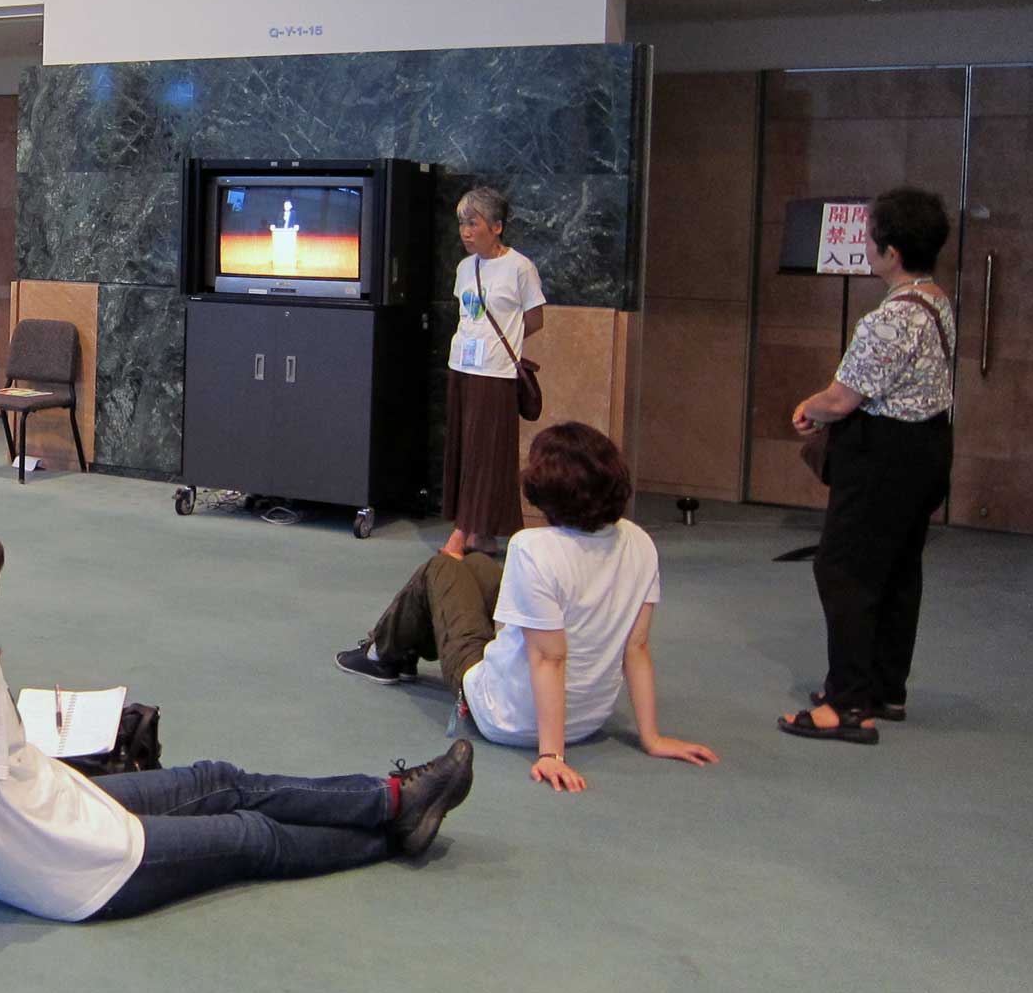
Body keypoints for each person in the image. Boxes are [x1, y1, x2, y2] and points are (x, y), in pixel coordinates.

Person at [0, 518, 475, 993]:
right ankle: (392, 833)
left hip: (63, 803)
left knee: (219, 779)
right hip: (79, 866)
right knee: (249, 836)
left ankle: (392, 797)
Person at [336, 421, 717, 793]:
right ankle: (396, 648)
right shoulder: (639, 542)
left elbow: (549, 658)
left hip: (506, 716)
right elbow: (637, 647)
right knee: (476, 565)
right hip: (588, 720)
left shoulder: (531, 547)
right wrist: (652, 738)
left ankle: (382, 652)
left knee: (443, 567)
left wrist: (552, 754)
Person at [781, 188, 956, 745]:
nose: (864, 242)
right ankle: (885, 687)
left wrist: (807, 408)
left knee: (844, 570)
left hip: (882, 457)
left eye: (870, 234)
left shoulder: (890, 318)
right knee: (898, 568)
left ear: (892, 251)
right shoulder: (936, 301)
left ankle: (848, 704)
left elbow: (841, 399)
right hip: (927, 449)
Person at [441, 186, 544, 558]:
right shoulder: (464, 267)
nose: (466, 232)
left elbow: (535, 319)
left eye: (474, 223)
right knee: (465, 449)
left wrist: (504, 344)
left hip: (496, 373)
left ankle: (462, 531)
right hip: (461, 366)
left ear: (497, 226)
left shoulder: (520, 267)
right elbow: (467, 317)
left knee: (487, 452)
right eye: (462, 224)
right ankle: (480, 533)